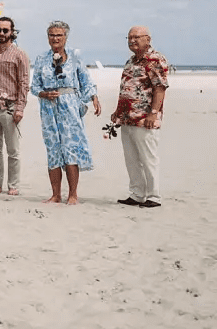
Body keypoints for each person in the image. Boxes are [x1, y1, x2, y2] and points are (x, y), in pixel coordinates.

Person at [30, 21, 102, 205]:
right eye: (52, 35)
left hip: (69, 107)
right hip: (48, 107)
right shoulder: (40, 59)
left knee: (71, 149)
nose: (55, 38)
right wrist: (44, 94)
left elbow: (85, 80)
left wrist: (93, 97)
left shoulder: (75, 56)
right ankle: (55, 195)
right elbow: (34, 86)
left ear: (65, 37)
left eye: (59, 35)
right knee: (53, 150)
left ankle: (73, 194)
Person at [113, 26, 169, 209]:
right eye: (129, 37)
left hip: (145, 119)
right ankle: (137, 194)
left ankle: (154, 196)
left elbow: (160, 88)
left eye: (137, 37)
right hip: (127, 118)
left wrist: (153, 113)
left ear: (148, 39)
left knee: (148, 158)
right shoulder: (131, 61)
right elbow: (126, 89)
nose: (132, 41)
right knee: (131, 159)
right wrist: (117, 111)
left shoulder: (155, 59)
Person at [0, 17, 30, 196]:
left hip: (10, 107)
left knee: (13, 150)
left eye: (5, 30)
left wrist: (20, 108)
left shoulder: (20, 54)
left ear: (12, 32)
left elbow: (24, 82)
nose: (2, 34)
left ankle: (13, 185)